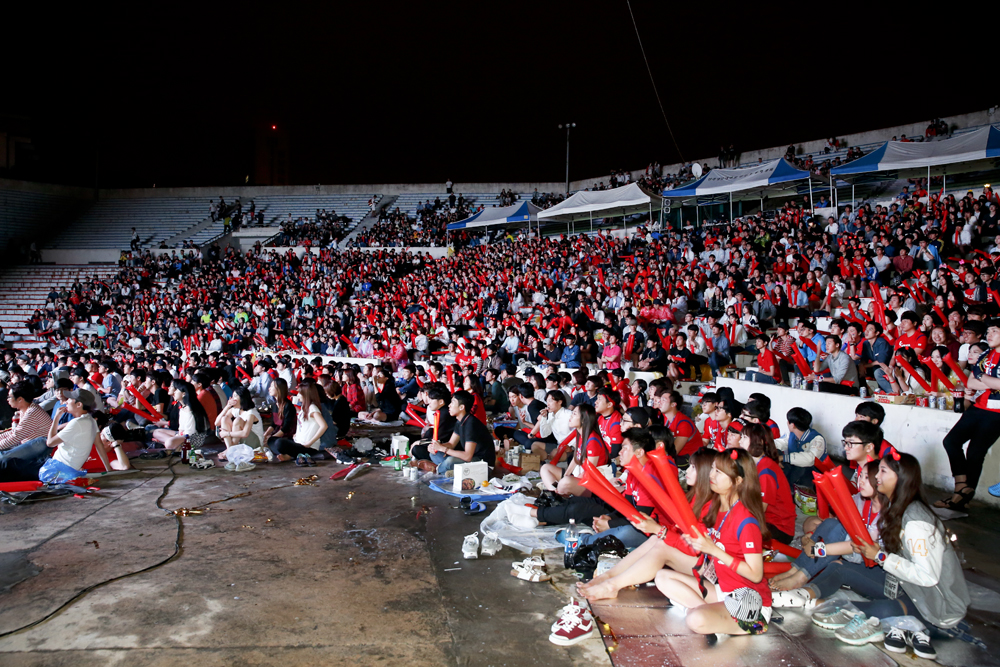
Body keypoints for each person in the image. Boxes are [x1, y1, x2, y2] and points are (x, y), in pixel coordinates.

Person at [776, 452, 969, 658]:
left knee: (884, 611)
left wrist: (881, 557)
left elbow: (927, 577)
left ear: (900, 477)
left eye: (882, 471)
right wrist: (817, 547)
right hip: (906, 586)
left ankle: (818, 604)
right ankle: (804, 594)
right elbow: (860, 546)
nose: (877, 477)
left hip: (935, 604)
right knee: (841, 568)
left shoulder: (916, 520)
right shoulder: (895, 509)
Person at [653, 448, 773, 636]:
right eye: (713, 469)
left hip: (748, 600)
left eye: (719, 472)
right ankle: (711, 614)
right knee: (662, 577)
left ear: (738, 481)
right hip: (723, 590)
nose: (711, 475)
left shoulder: (746, 521)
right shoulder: (719, 509)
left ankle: (753, 622)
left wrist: (714, 550)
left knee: (695, 620)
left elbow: (756, 575)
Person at [770, 459, 883, 593]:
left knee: (838, 529)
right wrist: (811, 536)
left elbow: (859, 546)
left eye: (866, 477)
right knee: (830, 523)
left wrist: (816, 549)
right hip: (850, 547)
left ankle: (801, 577)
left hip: (869, 561)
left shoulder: (885, 513)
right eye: (861, 476)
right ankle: (794, 570)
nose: (861, 481)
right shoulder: (861, 499)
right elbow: (837, 521)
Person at [942, 318, 1000, 507]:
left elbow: (985, 381)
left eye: (994, 331)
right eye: (988, 331)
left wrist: (983, 378)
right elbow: (971, 382)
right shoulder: (986, 355)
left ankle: (961, 500)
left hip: (996, 412)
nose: (989, 335)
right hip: (978, 408)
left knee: (975, 452)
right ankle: (961, 487)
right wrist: (988, 380)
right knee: (951, 441)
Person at [0, 389, 103, 483]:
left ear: (79, 404)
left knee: (7, 464)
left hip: (55, 470)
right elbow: (99, 446)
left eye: (70, 399)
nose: (66, 401)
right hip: (55, 464)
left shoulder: (77, 422)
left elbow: (50, 442)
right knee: (9, 463)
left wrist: (56, 419)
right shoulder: (90, 420)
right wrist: (108, 470)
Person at [738, 422, 796, 543]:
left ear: (757, 442)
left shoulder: (766, 470)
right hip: (767, 520)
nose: (740, 441)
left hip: (779, 527)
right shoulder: (756, 464)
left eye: (744, 437)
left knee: (737, 528)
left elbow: (759, 509)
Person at [539, 404, 609, 495]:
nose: (571, 416)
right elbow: (576, 458)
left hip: (591, 484)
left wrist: (567, 480)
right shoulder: (581, 435)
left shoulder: (593, 440)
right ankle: (555, 494)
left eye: (574, 414)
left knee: (565, 482)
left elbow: (590, 471)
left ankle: (558, 493)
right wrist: (566, 475)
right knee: (545, 468)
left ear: (584, 419)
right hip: (579, 476)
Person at [427, 390, 495, 474]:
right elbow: (451, 444)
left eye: (452, 403)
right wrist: (436, 447)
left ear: (461, 407)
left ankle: (437, 469)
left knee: (450, 461)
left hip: (483, 464)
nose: (449, 405)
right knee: (434, 454)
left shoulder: (471, 424)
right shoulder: (460, 421)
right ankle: (450, 471)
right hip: (471, 460)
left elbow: (467, 456)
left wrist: (443, 449)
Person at [269, 382, 328, 464]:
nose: (298, 395)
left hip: (308, 446)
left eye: (299, 393)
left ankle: (292, 455)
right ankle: (293, 455)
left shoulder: (312, 408)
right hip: (298, 443)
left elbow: (324, 426)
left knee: (280, 443)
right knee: (271, 440)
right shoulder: (304, 408)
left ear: (306, 394)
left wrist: (309, 443)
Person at [773, 407, 828, 489]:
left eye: (788, 422)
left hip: (813, 472)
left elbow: (810, 459)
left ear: (792, 425)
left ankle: (789, 488)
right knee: (775, 452)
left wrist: (783, 458)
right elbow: (780, 442)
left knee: (801, 468)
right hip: (796, 467)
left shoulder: (817, 439)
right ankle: (782, 487)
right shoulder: (792, 435)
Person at [151, 380, 212, 450]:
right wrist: (177, 436)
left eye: (176, 390)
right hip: (183, 434)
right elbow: (181, 428)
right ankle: (175, 444)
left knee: (169, 442)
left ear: (183, 394)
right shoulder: (182, 407)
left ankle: (172, 444)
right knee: (156, 432)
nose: (174, 392)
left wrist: (177, 437)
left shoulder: (190, 409)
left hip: (193, 438)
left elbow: (190, 433)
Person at [216, 386, 263, 463]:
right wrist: (227, 406)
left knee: (238, 421)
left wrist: (226, 433)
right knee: (224, 418)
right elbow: (217, 423)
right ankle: (230, 449)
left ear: (242, 398)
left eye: (235, 396)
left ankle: (230, 450)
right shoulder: (236, 410)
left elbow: (245, 433)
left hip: (254, 442)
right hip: (241, 441)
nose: (232, 398)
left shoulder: (251, 413)